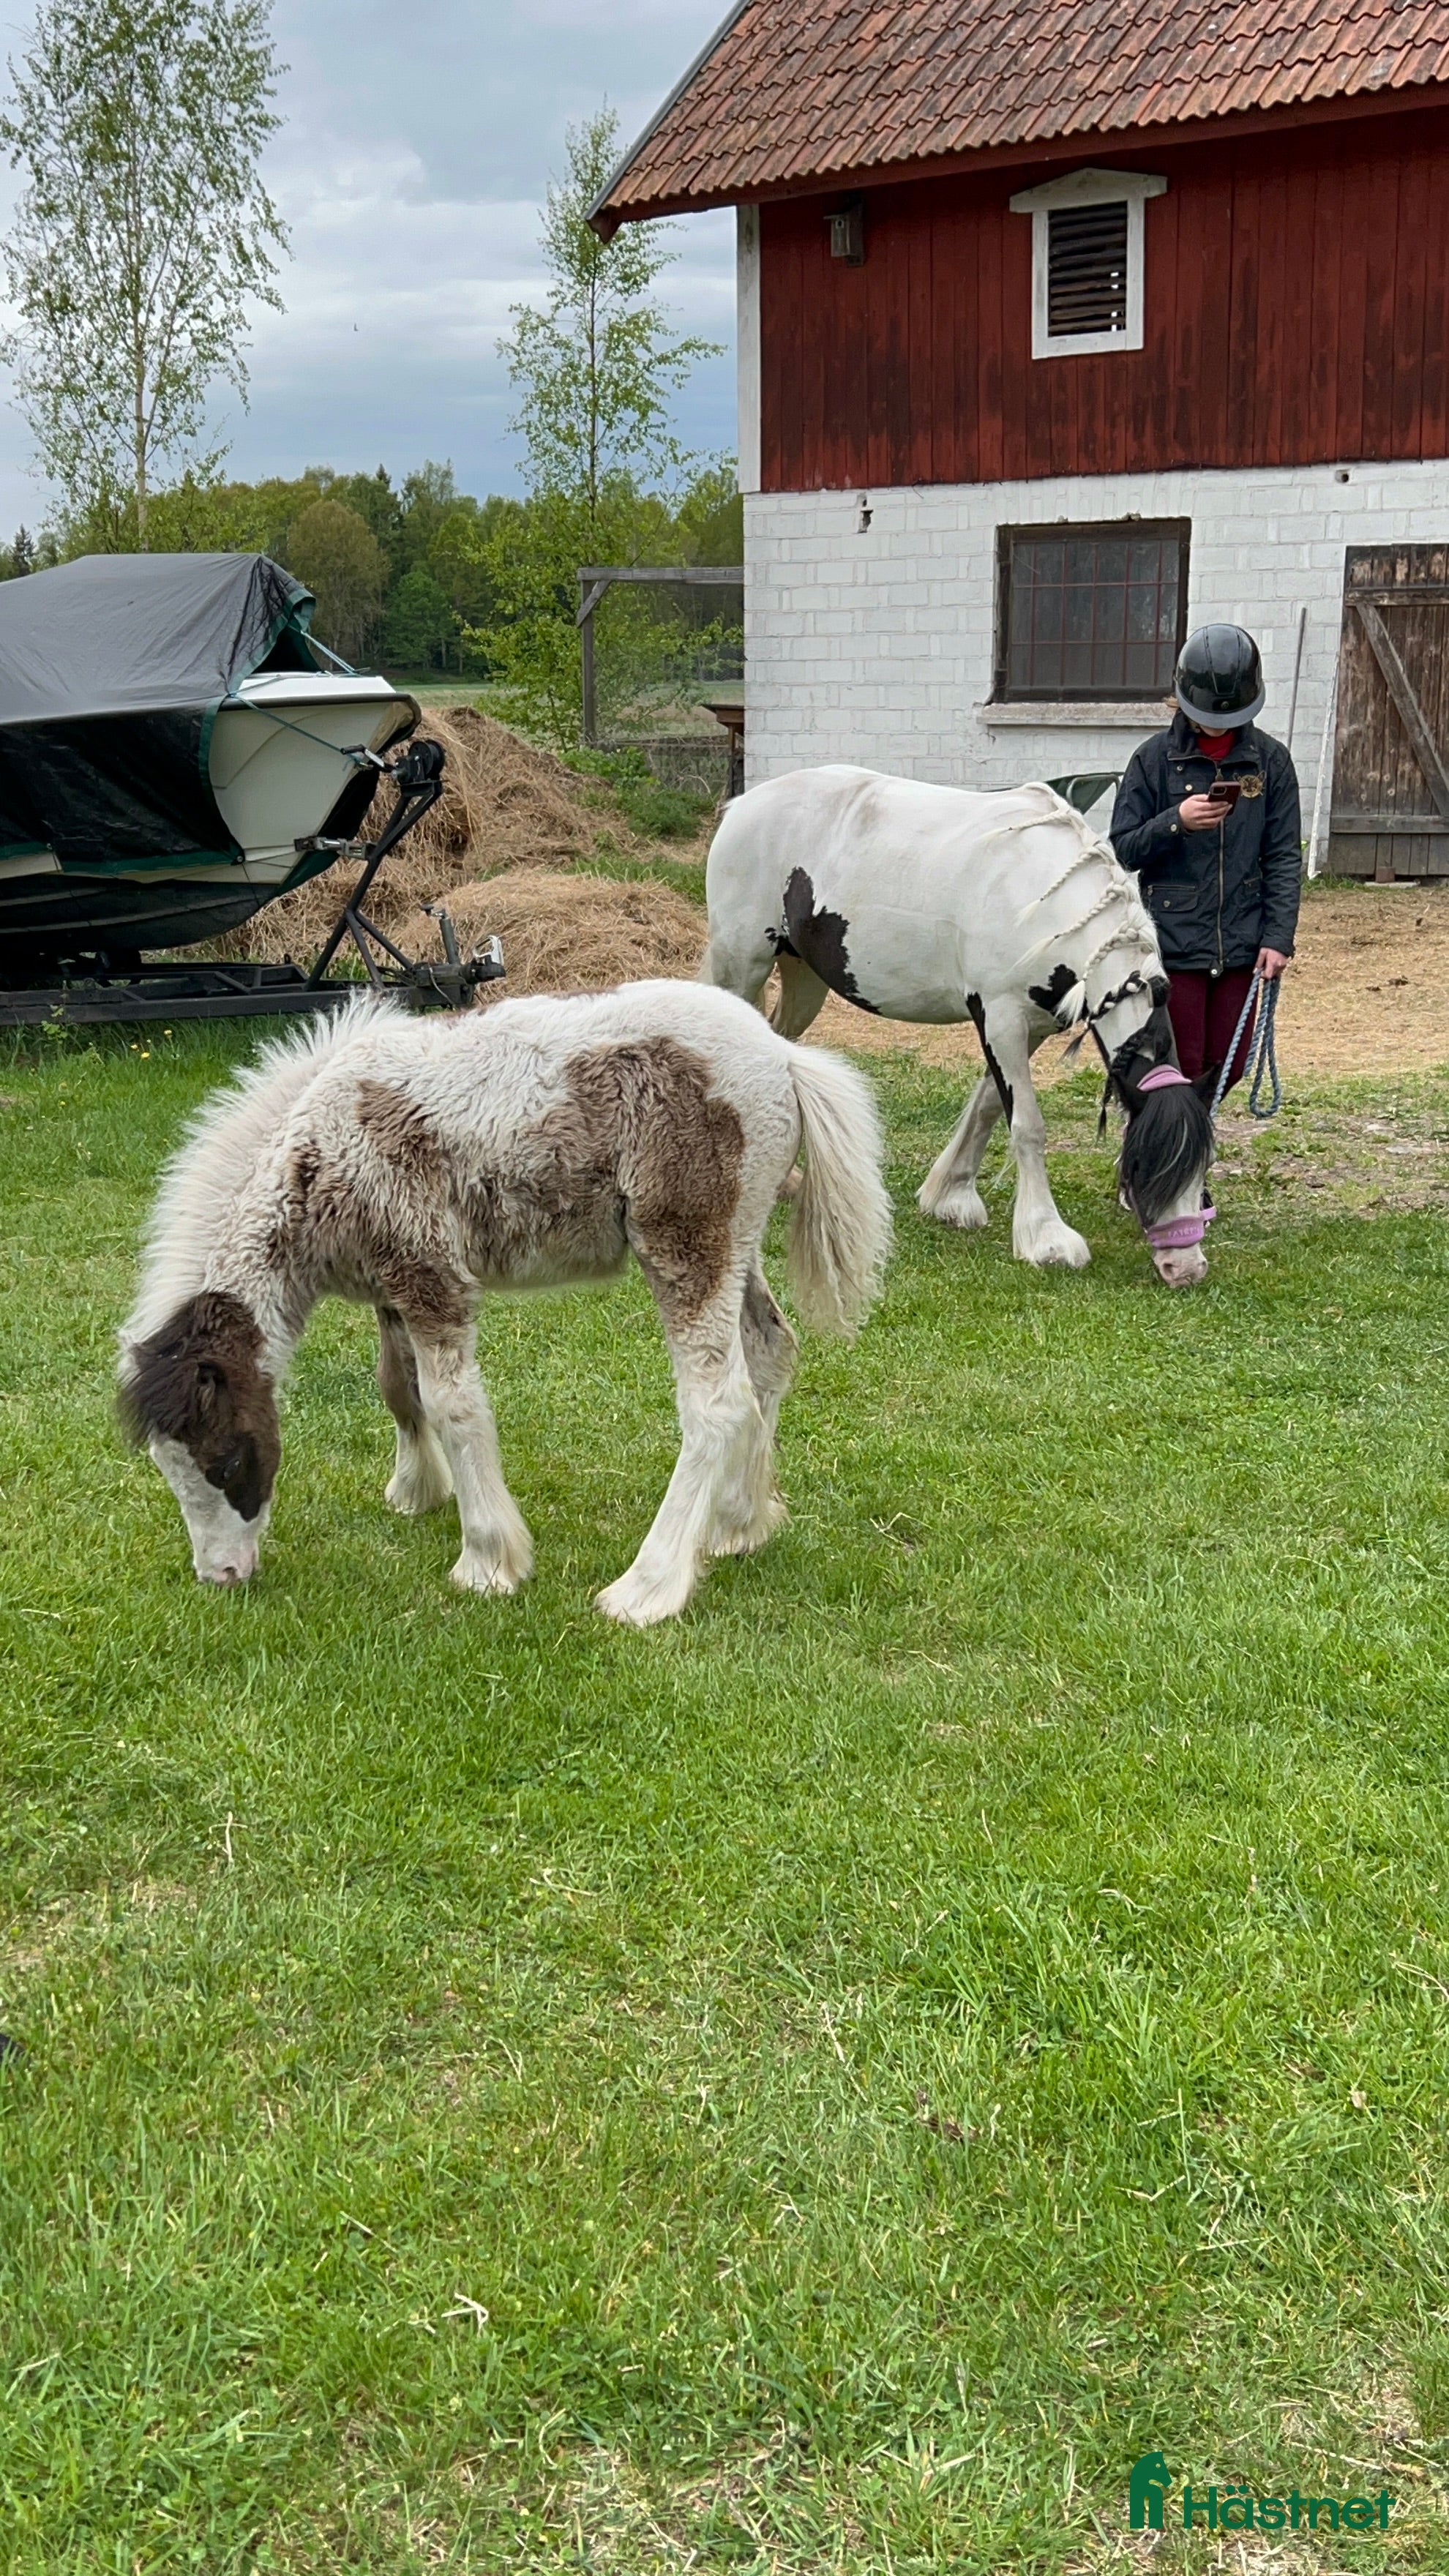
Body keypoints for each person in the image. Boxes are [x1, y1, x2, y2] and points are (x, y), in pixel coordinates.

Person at [1109, 624, 1301, 1092]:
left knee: (1229, 1064)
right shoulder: (1151, 760)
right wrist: (1176, 820)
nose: (1219, 722)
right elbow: (1122, 849)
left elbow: (1282, 857)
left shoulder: (1271, 763)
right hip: (1175, 943)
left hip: (1243, 940)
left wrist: (1278, 937)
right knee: (1182, 1065)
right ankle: (1173, 1152)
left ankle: (1190, 1138)